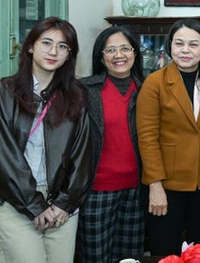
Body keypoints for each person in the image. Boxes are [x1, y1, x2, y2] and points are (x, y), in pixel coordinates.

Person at [0, 17, 91, 262]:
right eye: (46, 43)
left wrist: (64, 203)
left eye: (62, 46)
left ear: (69, 55)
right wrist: (34, 205)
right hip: (14, 201)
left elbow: (82, 154)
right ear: (30, 46)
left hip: (60, 205)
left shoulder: (76, 96)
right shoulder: (3, 92)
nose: (53, 51)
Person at [137, 19, 200, 255]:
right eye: (180, 43)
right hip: (166, 185)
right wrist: (155, 185)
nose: (186, 50)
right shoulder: (154, 82)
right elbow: (147, 138)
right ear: (170, 46)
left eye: (193, 44)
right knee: (165, 253)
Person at [76, 26, 146, 263]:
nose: (119, 55)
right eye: (111, 50)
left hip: (137, 191)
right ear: (101, 56)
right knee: (96, 257)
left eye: (125, 48)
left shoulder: (148, 89)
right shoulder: (85, 90)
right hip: (96, 190)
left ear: (135, 53)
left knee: (131, 258)